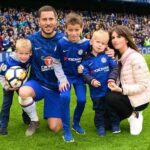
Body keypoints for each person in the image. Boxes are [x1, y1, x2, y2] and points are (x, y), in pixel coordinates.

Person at [53, 12, 115, 142]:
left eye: (77, 30)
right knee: (65, 98)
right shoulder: (61, 43)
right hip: (66, 78)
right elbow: (56, 62)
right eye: (70, 30)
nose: (74, 33)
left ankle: (76, 123)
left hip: (80, 78)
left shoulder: (87, 43)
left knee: (82, 100)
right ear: (65, 29)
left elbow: (100, 46)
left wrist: (110, 51)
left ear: (82, 28)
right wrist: (62, 79)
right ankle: (67, 131)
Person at [18, 5, 67, 137]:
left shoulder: (64, 40)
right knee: (23, 92)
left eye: (51, 19)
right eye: (44, 19)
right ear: (38, 21)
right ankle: (34, 121)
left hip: (56, 88)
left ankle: (51, 110)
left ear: (56, 20)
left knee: (55, 128)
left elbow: (82, 51)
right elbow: (20, 55)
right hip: (38, 83)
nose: (48, 22)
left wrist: (107, 52)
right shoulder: (31, 40)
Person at [106, 25, 150, 135]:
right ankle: (127, 112)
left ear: (126, 39)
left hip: (139, 99)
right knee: (105, 124)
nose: (115, 40)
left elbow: (143, 85)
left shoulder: (135, 57)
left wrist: (121, 90)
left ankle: (134, 115)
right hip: (126, 96)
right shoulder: (117, 56)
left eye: (119, 36)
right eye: (113, 37)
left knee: (110, 97)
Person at [80, 30, 120, 136]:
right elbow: (84, 73)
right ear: (91, 42)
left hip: (108, 90)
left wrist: (111, 79)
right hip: (96, 92)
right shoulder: (86, 60)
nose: (100, 45)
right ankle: (100, 127)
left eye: (103, 44)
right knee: (99, 110)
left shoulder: (107, 56)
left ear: (106, 45)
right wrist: (91, 80)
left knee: (112, 108)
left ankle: (115, 124)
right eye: (98, 42)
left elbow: (115, 68)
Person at [0, 38, 32, 135]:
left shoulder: (30, 58)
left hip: (21, 84)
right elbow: (1, 75)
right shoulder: (8, 62)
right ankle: (3, 125)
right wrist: (7, 86)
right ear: (16, 52)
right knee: (7, 104)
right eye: (21, 53)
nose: (23, 56)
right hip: (8, 85)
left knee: (25, 100)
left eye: (26, 54)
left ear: (30, 53)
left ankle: (26, 118)